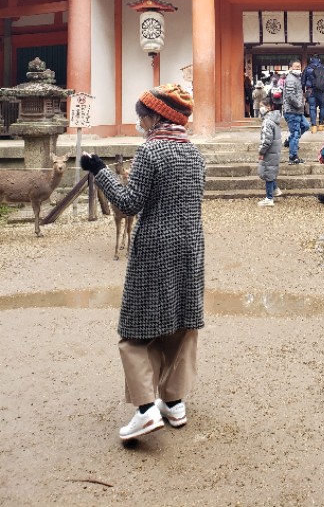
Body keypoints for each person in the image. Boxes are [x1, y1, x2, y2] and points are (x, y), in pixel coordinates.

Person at [80, 83, 205, 442]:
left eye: (142, 115)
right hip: (191, 246)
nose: (140, 121)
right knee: (181, 326)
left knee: (136, 332)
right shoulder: (194, 155)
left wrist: (99, 170)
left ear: (157, 116)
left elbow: (130, 202)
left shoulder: (151, 152)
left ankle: (146, 409)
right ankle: (174, 403)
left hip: (154, 247)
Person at [257, 94, 283, 207]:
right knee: (270, 172)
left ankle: (269, 198)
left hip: (269, 151)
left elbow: (266, 140)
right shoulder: (275, 119)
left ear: (268, 107)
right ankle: (275, 189)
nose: (260, 108)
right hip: (274, 150)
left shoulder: (267, 121)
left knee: (267, 173)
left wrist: (261, 151)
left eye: (262, 106)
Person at [282, 59, 310, 165]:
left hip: (297, 111)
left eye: (299, 66)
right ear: (290, 68)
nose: (298, 68)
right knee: (295, 133)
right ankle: (293, 157)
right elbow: (290, 96)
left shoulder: (297, 78)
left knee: (306, 125)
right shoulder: (291, 79)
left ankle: (289, 141)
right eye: (295, 67)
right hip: (292, 110)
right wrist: (299, 104)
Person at [302, 54, 324, 132]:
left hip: (310, 89)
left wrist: (303, 90)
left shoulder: (307, 68)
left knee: (312, 107)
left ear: (311, 59)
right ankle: (321, 124)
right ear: (319, 59)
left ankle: (314, 126)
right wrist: (322, 84)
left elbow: (303, 81)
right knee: (322, 107)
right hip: (321, 90)